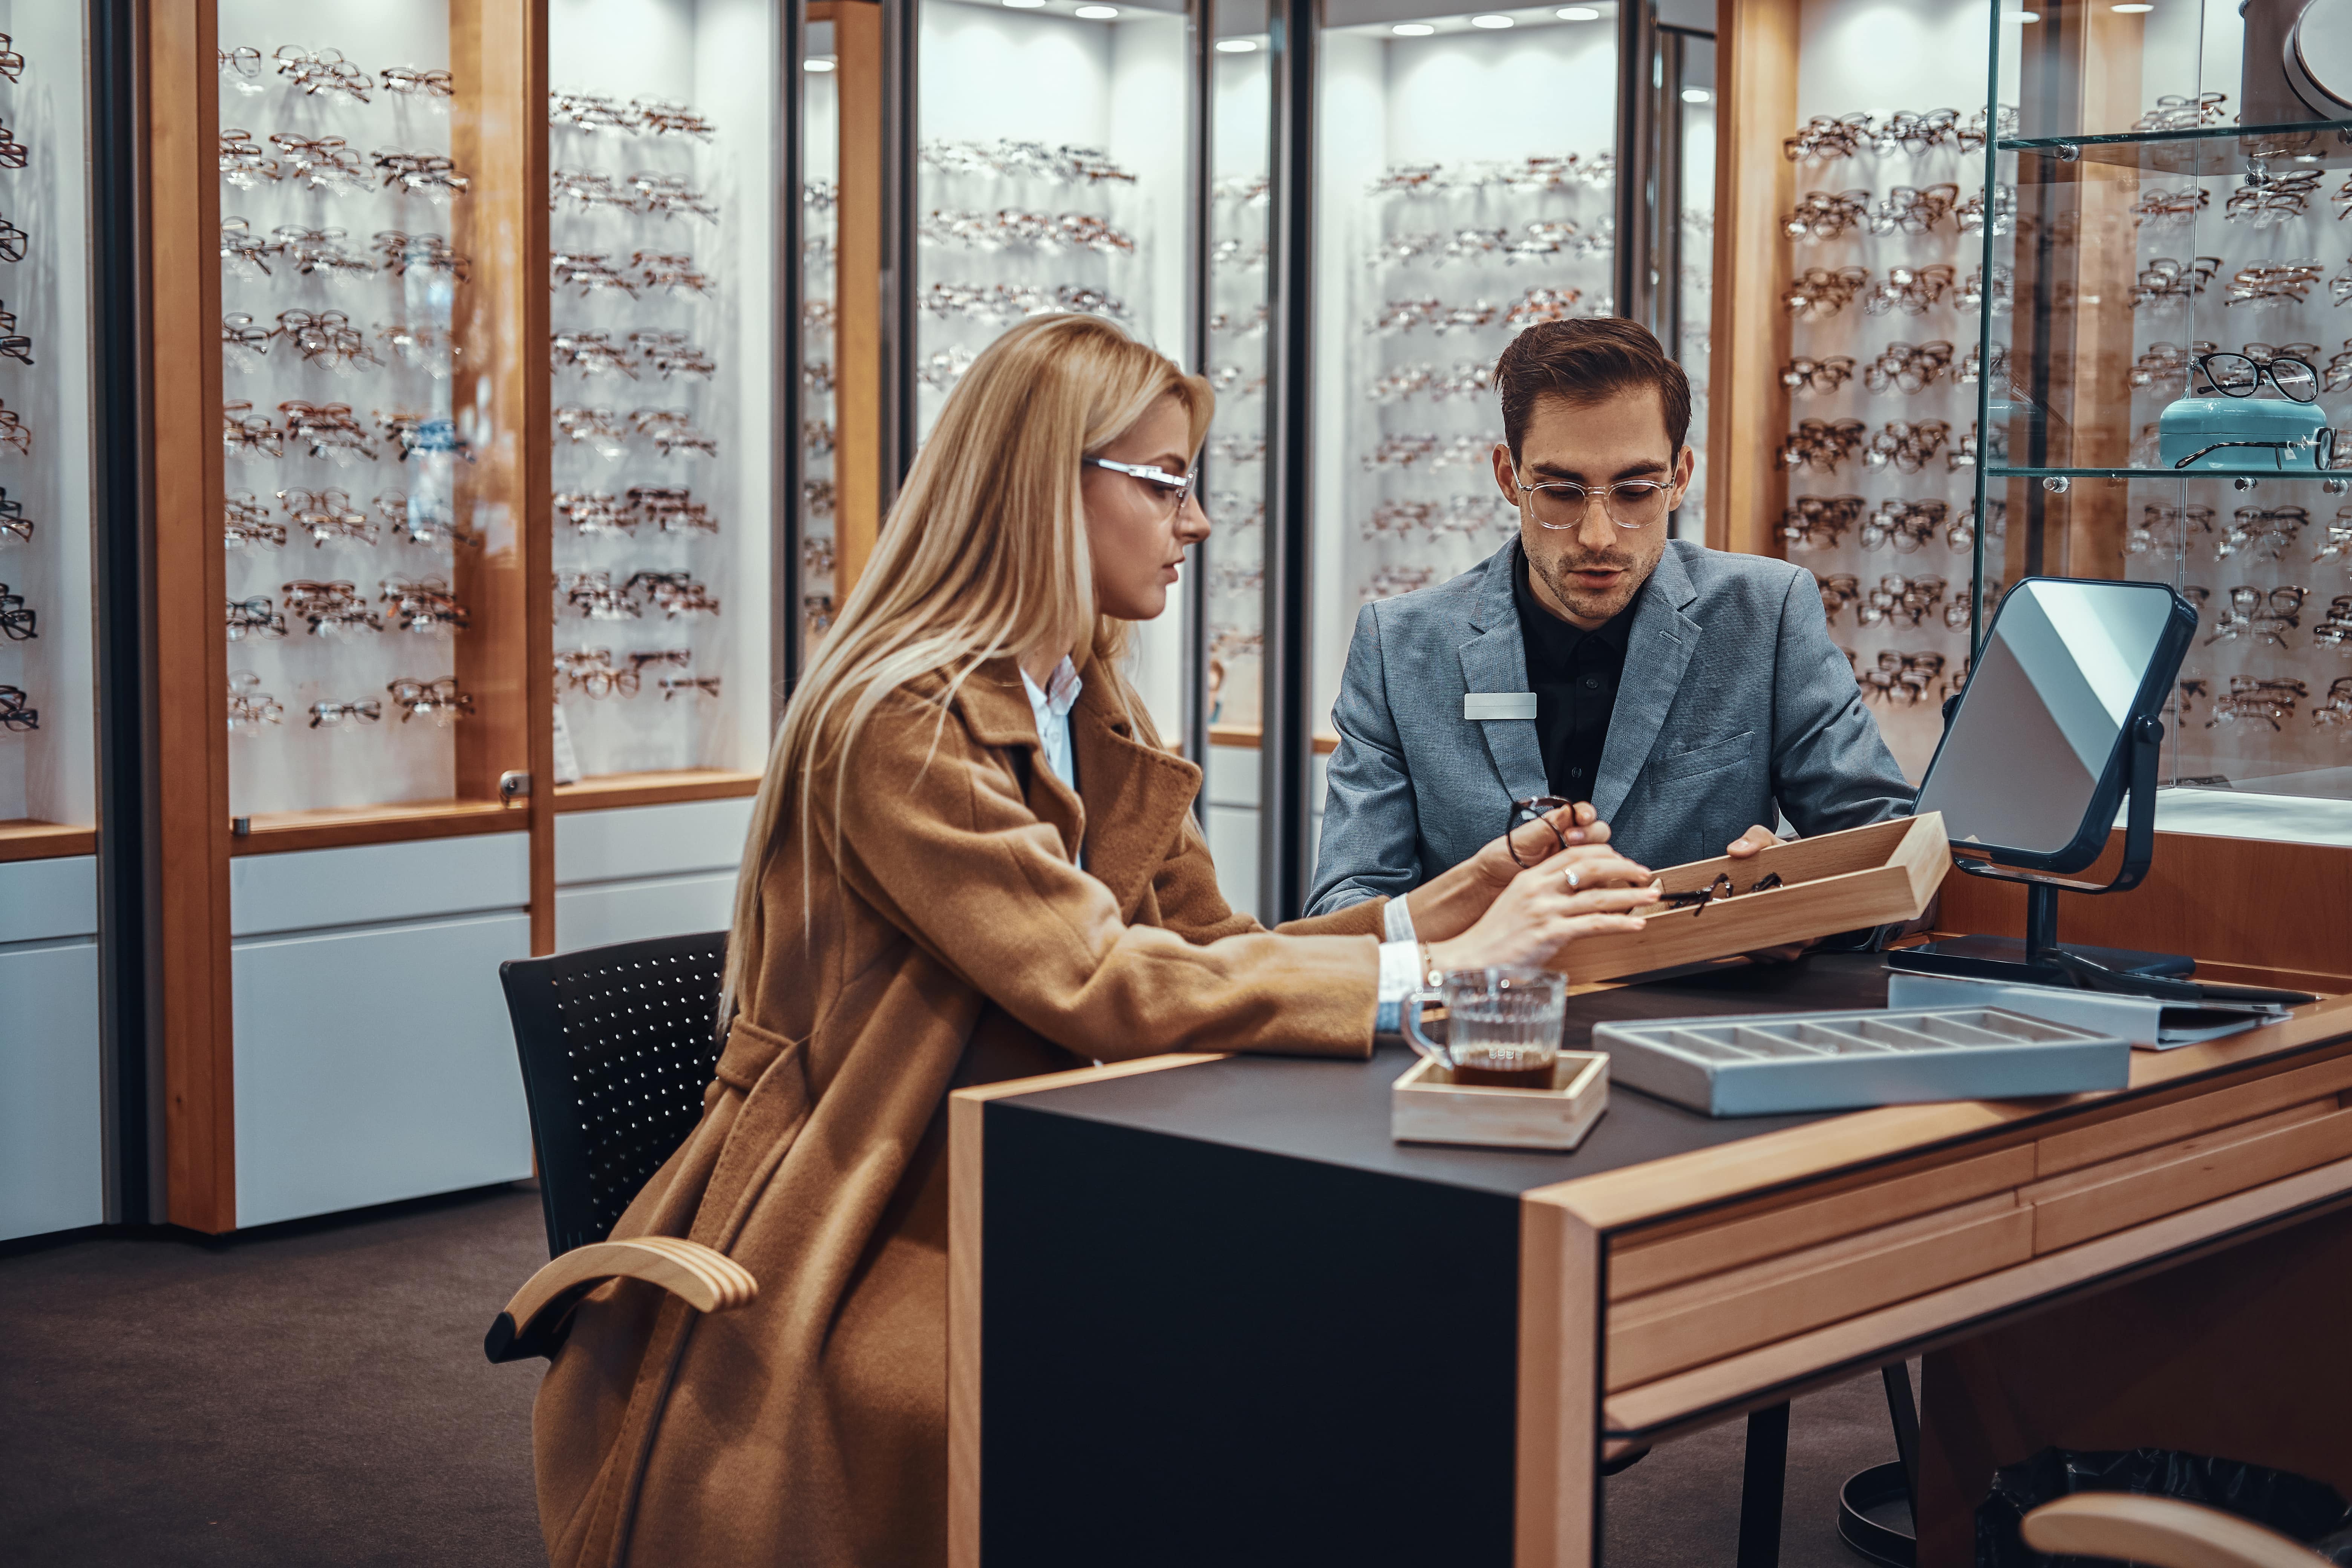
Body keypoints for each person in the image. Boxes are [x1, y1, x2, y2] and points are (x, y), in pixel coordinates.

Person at [530, 314, 1659, 1568]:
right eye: (1167, 483)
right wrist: (1454, 974)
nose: (1197, 523)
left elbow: (1212, 951)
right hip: (870, 1218)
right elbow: (1101, 981)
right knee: (1294, 1370)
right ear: (1040, 482)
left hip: (1041, 1158)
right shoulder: (899, 719)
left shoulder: (1086, 698)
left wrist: (1450, 904)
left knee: (1356, 1351)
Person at [1307, 317, 1914, 920]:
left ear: (1678, 480)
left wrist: (1789, 897)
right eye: (1562, 493)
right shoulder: (1400, 646)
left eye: (1634, 491)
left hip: (1695, 1008)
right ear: (1508, 479)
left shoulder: (1767, 614)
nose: (1598, 538)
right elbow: (1345, 907)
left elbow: (1891, 847)